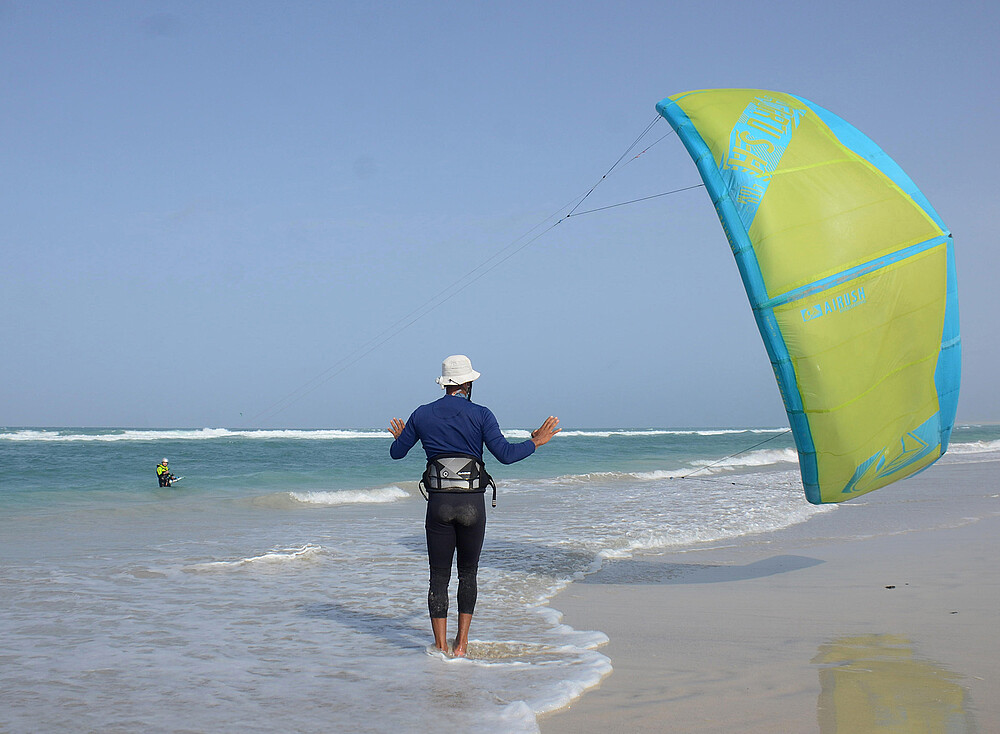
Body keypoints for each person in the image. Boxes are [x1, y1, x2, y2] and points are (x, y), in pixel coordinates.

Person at [388, 354, 560, 657]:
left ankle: (440, 646)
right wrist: (536, 442)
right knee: (468, 574)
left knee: (438, 577)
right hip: (472, 506)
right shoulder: (482, 414)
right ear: (468, 383)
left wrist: (404, 436)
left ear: (445, 384)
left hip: (438, 506)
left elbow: (396, 453)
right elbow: (505, 454)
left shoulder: (421, 414)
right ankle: (462, 645)